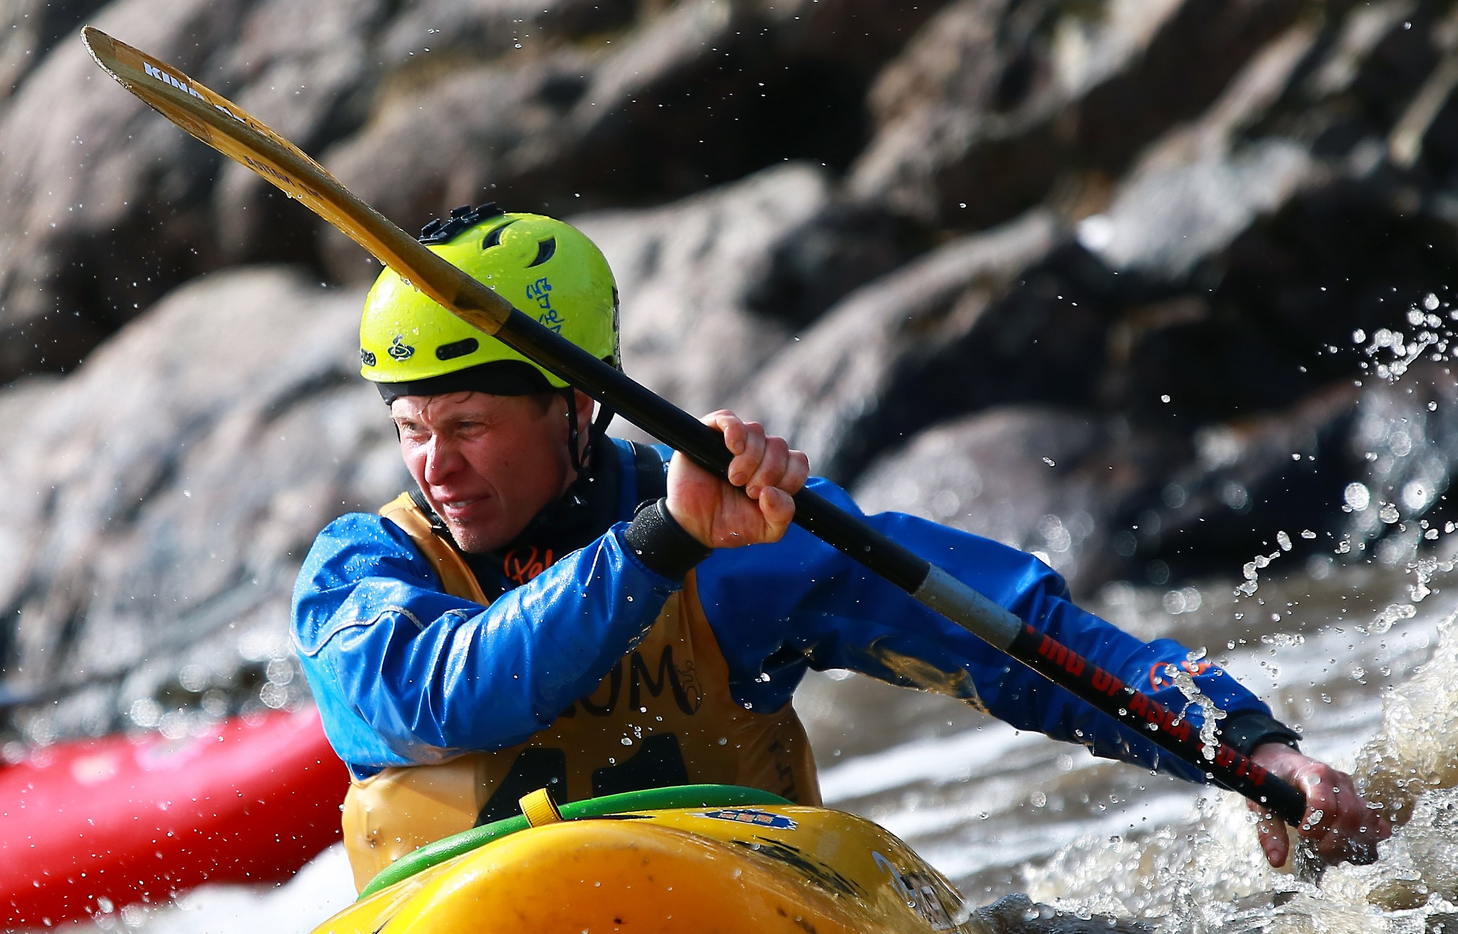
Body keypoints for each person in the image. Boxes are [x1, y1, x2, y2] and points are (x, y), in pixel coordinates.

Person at [292, 204, 1391, 884]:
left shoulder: (743, 544)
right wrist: (659, 539)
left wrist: (1254, 746)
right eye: (411, 428)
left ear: (578, 406)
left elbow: (1019, 636)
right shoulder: (360, 574)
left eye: (469, 425)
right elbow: (444, 699)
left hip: (714, 924)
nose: (434, 466)